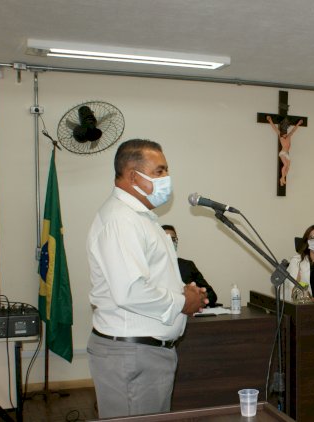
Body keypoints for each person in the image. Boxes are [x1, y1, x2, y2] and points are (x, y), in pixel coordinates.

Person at [86, 139, 208, 418]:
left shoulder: (142, 217)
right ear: (132, 175)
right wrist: (181, 302)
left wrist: (187, 293)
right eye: (160, 171)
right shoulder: (120, 220)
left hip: (145, 353)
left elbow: (151, 277)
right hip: (132, 354)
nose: (167, 179)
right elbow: (130, 291)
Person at [162, 224, 218, 306]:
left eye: (173, 239)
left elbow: (211, 295)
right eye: (166, 239)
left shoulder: (187, 265)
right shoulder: (150, 266)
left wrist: (196, 297)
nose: (170, 242)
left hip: (190, 314)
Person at [266, 115, 303, 186]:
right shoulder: (280, 135)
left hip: (287, 154)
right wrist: (270, 120)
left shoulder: (289, 135)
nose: (285, 132)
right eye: (284, 129)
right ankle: (282, 178)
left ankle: (282, 179)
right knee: (285, 164)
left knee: (288, 167)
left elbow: (293, 130)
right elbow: (274, 128)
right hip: (282, 153)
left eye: (286, 129)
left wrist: (298, 123)